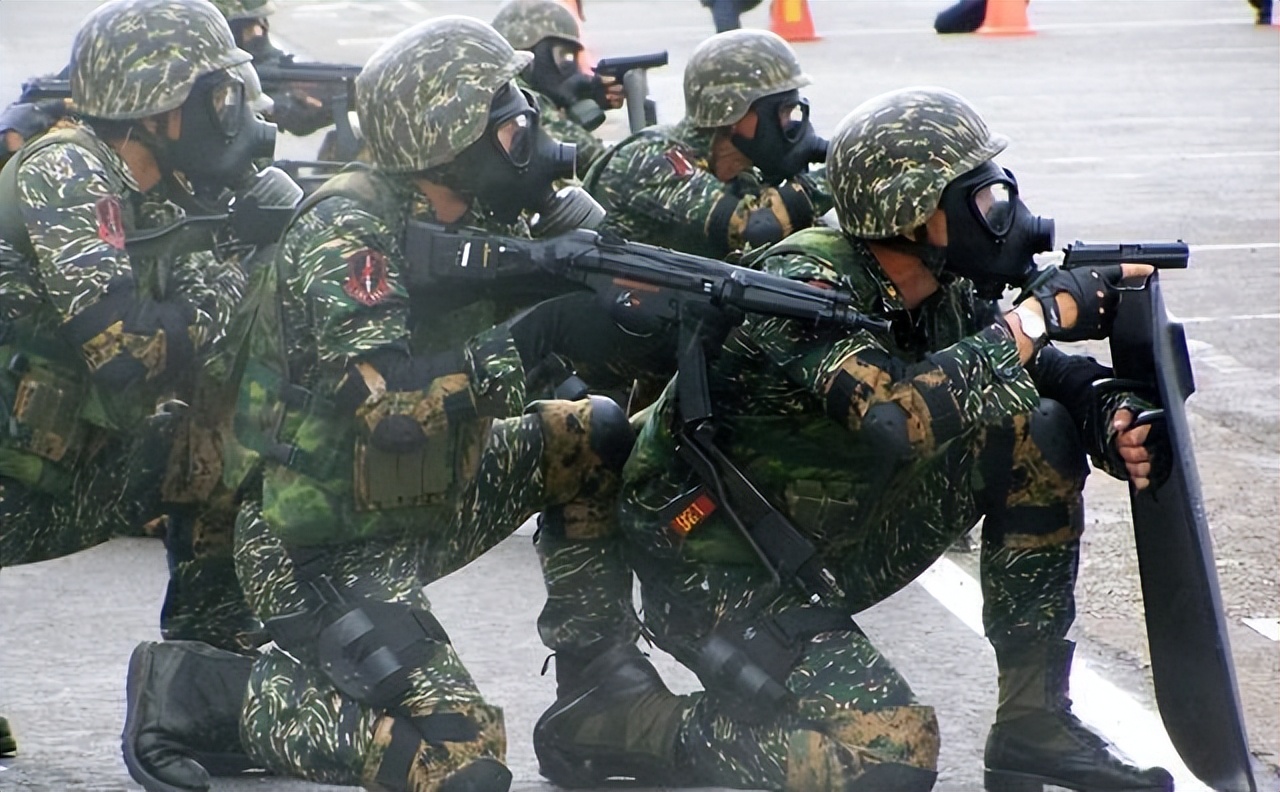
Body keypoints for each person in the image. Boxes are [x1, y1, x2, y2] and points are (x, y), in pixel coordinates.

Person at [533, 86, 1175, 792]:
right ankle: (628, 725)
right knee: (888, 758)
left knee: (1036, 425)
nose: (1004, 217)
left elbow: (1033, 373)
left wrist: (1108, 412)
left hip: (820, 540)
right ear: (913, 213)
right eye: (984, 200)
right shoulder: (801, 286)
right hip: (716, 565)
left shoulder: (936, 284)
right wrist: (1036, 317)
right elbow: (895, 418)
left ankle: (1034, 722)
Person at [120, 17, 638, 792]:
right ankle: (198, 691)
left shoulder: (481, 212)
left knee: (589, 432)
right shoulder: (350, 229)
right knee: (457, 758)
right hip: (317, 537)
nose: (525, 127)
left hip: (426, 496)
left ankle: (601, 687)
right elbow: (391, 413)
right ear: (448, 140)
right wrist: (537, 335)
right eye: (506, 116)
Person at [0, 0, 280, 756]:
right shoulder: (67, 169)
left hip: (56, 466)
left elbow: (203, 345)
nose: (232, 112)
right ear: (160, 107)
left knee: (234, 434)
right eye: (217, 95)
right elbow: (126, 351)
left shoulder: (162, 191)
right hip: (18, 475)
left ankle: (203, 678)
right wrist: (233, 264)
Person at [584, 28, 832, 261]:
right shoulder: (651, 159)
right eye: (783, 112)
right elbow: (756, 226)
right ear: (731, 112)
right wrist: (840, 173)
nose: (789, 124)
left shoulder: (739, 176)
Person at [491, 0, 625, 175]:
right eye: (562, 56)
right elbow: (605, 168)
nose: (570, 71)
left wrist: (583, 97)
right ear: (529, 54)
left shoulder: (494, 89)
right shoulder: (520, 102)